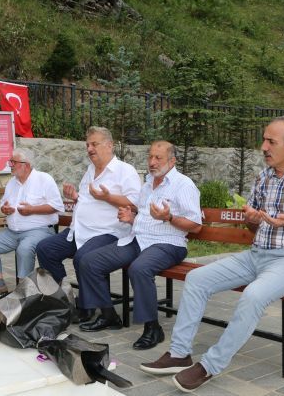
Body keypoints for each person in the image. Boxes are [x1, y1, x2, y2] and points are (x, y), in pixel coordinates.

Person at [140, 116, 284, 393]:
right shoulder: (265, 176)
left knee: (253, 295)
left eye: (271, 141)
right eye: (264, 139)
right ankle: (179, 354)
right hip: (257, 254)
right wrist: (252, 219)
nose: (264, 146)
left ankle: (210, 366)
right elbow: (253, 226)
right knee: (198, 279)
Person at [77, 141, 202, 349]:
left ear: (172, 161)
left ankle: (153, 328)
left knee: (140, 268)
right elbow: (144, 216)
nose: (152, 162)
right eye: (150, 157)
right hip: (138, 239)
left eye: (158, 158)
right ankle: (108, 315)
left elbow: (196, 225)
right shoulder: (147, 184)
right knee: (89, 261)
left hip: (168, 243)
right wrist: (131, 217)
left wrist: (169, 217)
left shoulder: (184, 184)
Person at [36, 126, 141, 323]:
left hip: (108, 232)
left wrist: (109, 197)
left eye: (94, 144)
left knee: (83, 258)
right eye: (87, 145)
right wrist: (75, 197)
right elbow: (87, 199)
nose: (90, 149)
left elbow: (136, 203)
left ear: (109, 145)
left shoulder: (125, 171)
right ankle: (64, 299)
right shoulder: (90, 170)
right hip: (80, 231)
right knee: (45, 248)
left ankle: (90, 308)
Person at [0, 148, 64, 294]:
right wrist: (4, 209)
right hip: (12, 232)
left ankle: (24, 288)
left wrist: (32, 210)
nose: (10, 165)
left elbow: (57, 206)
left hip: (40, 231)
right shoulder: (12, 183)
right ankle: (0, 284)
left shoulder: (44, 179)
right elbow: (3, 203)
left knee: (24, 248)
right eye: (10, 162)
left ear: (26, 165)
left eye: (13, 162)